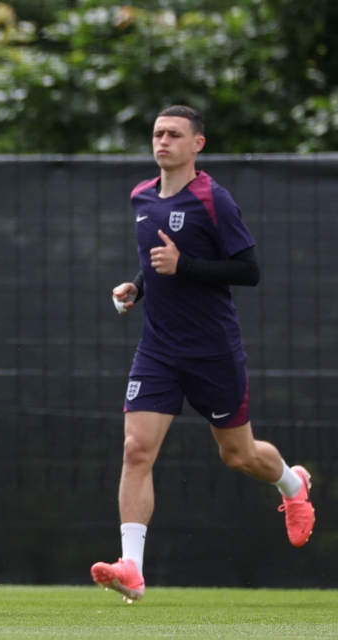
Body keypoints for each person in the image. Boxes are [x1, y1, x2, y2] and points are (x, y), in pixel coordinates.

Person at [92, 105, 315, 603]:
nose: (163, 141)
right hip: (158, 350)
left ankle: (292, 484)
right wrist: (138, 286)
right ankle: (133, 568)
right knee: (136, 449)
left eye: (174, 134)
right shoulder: (141, 197)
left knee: (238, 455)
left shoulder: (214, 199)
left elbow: (248, 270)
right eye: (157, 133)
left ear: (198, 144)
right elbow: (158, 261)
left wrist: (183, 265)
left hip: (213, 350)